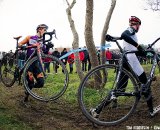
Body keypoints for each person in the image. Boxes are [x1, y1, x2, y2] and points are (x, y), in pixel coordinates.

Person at [90, 16, 156, 118]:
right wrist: (139, 46)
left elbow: (126, 42)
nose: (138, 27)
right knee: (146, 85)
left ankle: (97, 110)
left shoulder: (130, 34)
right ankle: (151, 111)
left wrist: (142, 51)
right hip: (132, 61)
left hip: (125, 60)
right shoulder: (131, 30)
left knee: (118, 90)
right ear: (137, 25)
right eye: (139, 26)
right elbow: (124, 35)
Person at [18, 24, 49, 102]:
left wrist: (48, 46)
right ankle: (25, 98)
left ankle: (28, 88)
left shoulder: (42, 41)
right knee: (31, 82)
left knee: (41, 83)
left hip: (36, 65)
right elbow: (19, 44)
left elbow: (45, 52)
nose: (45, 31)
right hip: (28, 64)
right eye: (44, 30)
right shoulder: (30, 37)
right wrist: (22, 46)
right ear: (39, 29)